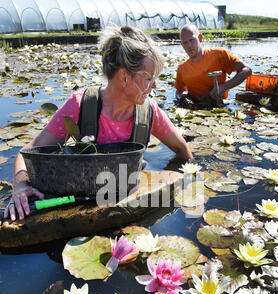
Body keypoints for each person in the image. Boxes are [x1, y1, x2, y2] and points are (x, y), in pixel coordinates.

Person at [5, 25, 193, 222]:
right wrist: (21, 186)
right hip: (80, 207)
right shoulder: (80, 105)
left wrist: (188, 187)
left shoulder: (150, 112)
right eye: (149, 77)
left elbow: (183, 150)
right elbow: (27, 153)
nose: (155, 85)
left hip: (127, 209)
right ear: (124, 77)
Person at [175, 23, 252, 105]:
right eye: (185, 42)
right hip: (195, 110)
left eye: (191, 40)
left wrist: (224, 87)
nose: (189, 45)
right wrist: (182, 97)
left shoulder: (219, 54)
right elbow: (179, 90)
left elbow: (247, 70)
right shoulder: (182, 68)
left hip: (221, 108)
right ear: (182, 45)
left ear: (200, 38)